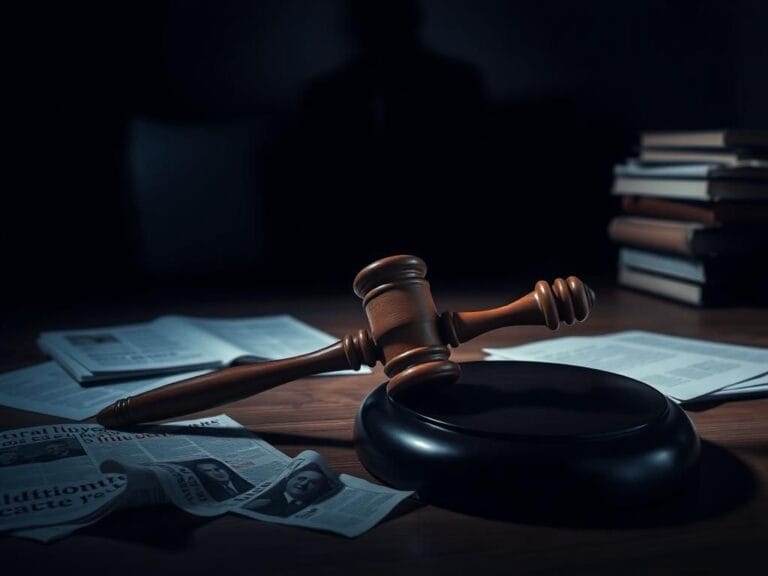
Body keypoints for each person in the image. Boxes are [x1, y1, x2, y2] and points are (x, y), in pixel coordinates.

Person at [243, 463, 340, 517]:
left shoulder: (315, 508)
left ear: (319, 489)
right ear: (289, 479)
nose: (303, 484)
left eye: (313, 483)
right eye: (301, 478)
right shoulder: (261, 501)